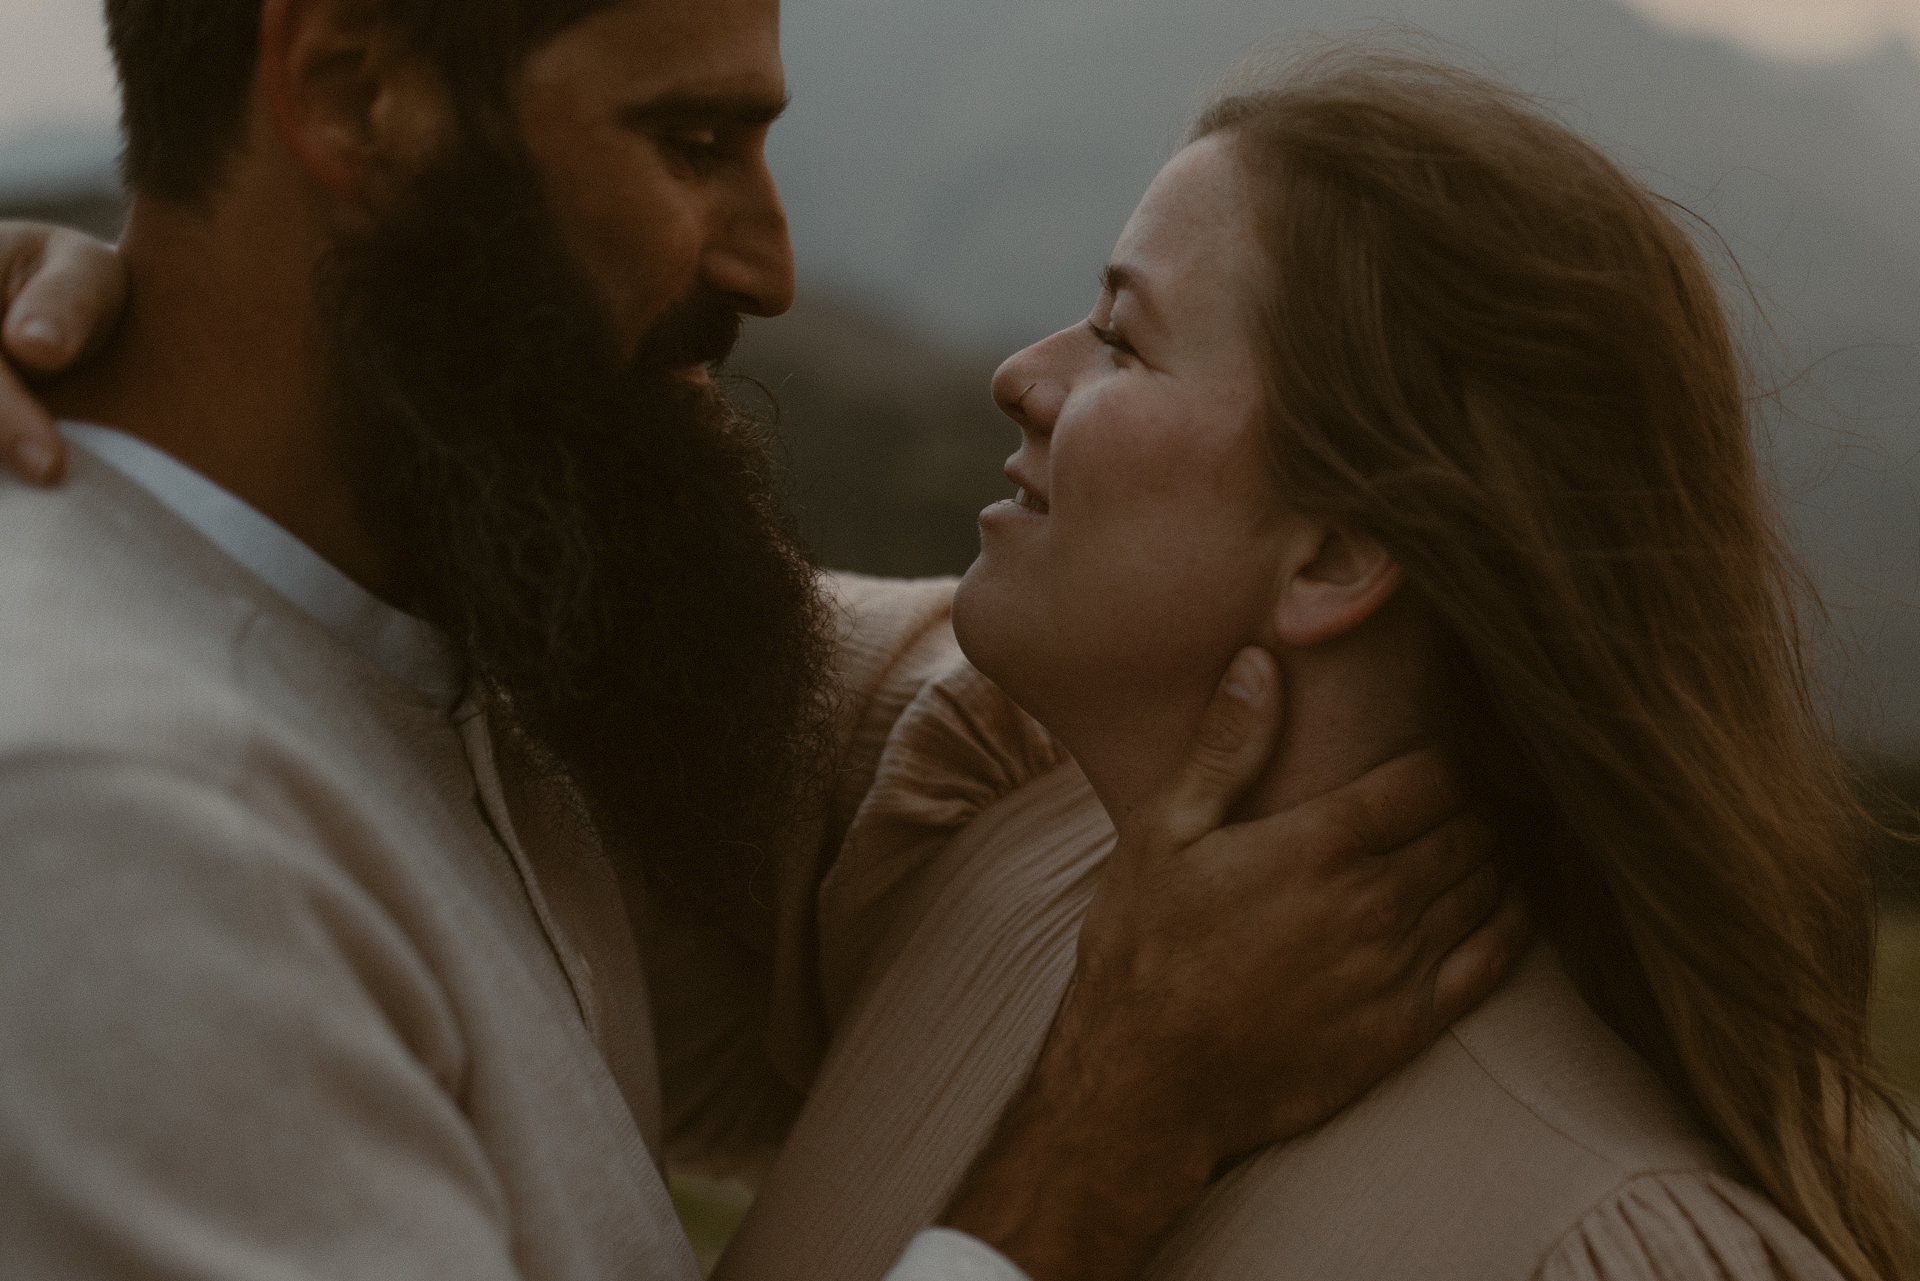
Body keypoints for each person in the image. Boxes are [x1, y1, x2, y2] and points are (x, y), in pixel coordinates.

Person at [0, 5, 1529, 1281]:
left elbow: (916, 698)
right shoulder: (116, 826)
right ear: (355, 96)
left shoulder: (443, 655)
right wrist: (1102, 1137)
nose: (768, 266)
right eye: (695, 145)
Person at [640, 46, 1916, 1281]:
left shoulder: (1616, 1248)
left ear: (1338, 555)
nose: (1020, 375)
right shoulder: (975, 811)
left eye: (1123, 340)